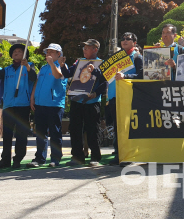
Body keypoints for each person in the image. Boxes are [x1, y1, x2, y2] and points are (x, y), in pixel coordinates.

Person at [60, 39, 107, 167]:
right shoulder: (79, 62)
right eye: (84, 48)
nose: (84, 50)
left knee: (93, 129)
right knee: (75, 129)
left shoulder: (101, 63)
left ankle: (95, 157)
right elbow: (68, 74)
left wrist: (96, 93)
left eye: (87, 48)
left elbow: (105, 81)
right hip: (77, 99)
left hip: (92, 101)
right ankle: (77, 156)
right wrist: (63, 65)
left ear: (95, 49)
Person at [0, 44, 37, 169]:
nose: (16, 53)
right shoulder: (7, 70)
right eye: (14, 51)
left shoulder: (29, 66)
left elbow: (34, 77)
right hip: (8, 106)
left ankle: (18, 159)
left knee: (21, 134)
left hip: (23, 105)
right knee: (7, 134)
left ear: (25, 54)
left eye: (19, 51)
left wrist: (26, 65)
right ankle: (5, 160)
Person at [27, 43, 67, 168]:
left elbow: (58, 76)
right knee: (40, 132)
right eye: (47, 52)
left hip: (54, 104)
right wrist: (32, 97)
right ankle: (39, 158)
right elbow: (37, 82)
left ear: (58, 54)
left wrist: (51, 64)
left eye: (51, 52)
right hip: (40, 104)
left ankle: (55, 158)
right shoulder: (43, 68)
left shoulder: (62, 66)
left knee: (55, 132)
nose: (48, 54)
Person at [110, 33, 143, 166]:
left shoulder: (137, 56)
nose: (124, 41)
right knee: (117, 127)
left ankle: (129, 155)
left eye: (128, 39)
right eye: (122, 39)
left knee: (129, 127)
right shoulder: (116, 58)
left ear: (134, 43)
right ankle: (118, 154)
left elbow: (141, 75)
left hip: (129, 97)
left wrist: (126, 76)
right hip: (114, 96)